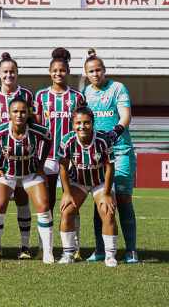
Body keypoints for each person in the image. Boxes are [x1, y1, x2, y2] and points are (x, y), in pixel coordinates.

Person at [83, 48, 139, 264]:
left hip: (121, 151)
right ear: (86, 74)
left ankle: (131, 250)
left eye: (98, 70)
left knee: (123, 199)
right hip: (97, 155)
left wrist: (115, 132)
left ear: (104, 70)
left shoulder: (117, 88)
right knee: (101, 200)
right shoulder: (85, 93)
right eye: (91, 71)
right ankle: (100, 249)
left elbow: (125, 115)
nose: (95, 74)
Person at [0, 97, 54, 264]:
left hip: (30, 174)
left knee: (44, 206)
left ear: (28, 113)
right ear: (9, 114)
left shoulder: (37, 130)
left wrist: (40, 164)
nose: (19, 114)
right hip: (7, 175)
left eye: (23, 111)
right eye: (15, 111)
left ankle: (47, 253)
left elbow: (48, 139)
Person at [0, 52, 36, 259]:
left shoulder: (26, 95)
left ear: (17, 73)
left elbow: (33, 125)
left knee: (22, 198)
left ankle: (24, 246)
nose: (9, 75)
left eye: (12, 72)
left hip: (22, 158)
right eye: (5, 72)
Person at [34, 47, 84, 258]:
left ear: (67, 72)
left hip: (69, 159)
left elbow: (82, 126)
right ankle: (44, 247)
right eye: (54, 70)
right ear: (49, 72)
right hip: (46, 158)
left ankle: (76, 246)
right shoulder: (41, 96)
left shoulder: (77, 97)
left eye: (62, 70)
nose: (58, 74)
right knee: (46, 203)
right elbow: (36, 126)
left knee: (72, 203)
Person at [57, 106, 118, 267]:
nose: (82, 126)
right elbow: (62, 166)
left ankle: (110, 255)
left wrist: (106, 193)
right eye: (78, 123)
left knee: (107, 211)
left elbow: (110, 167)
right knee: (66, 211)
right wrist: (67, 193)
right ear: (72, 124)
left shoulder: (103, 140)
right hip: (78, 182)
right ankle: (68, 253)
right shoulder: (67, 140)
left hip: (99, 182)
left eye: (86, 123)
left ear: (93, 123)